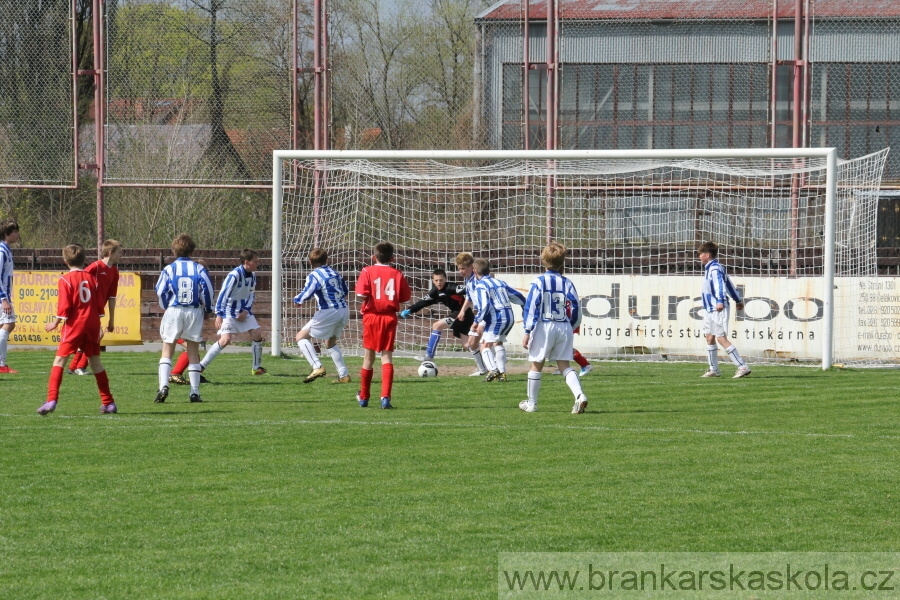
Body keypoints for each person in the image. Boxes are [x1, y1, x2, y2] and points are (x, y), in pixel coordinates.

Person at [37, 244, 116, 415]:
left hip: (75, 325)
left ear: (65, 261)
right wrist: (99, 324)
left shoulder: (65, 280)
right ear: (84, 260)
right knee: (95, 363)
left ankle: (51, 400)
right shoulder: (93, 279)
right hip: (92, 324)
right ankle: (109, 402)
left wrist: (56, 323)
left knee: (59, 361)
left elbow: (65, 307)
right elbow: (99, 304)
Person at [520, 242, 588, 414]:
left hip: (545, 325)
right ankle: (579, 395)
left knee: (536, 364)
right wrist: (571, 326)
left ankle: (532, 403)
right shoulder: (567, 282)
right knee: (564, 364)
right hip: (563, 325)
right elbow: (576, 308)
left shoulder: (538, 281)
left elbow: (531, 307)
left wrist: (527, 331)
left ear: (543, 260)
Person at [154, 234, 214, 403]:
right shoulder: (199, 268)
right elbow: (208, 290)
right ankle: (194, 392)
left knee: (167, 350)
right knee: (193, 352)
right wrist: (208, 308)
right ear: (192, 250)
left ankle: (164, 386)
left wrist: (167, 306)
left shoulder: (169, 269)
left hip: (174, 310)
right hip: (194, 311)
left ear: (174, 250)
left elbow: (160, 290)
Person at [354, 241, 410, 409]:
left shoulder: (367, 271)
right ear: (392, 258)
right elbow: (405, 297)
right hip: (389, 317)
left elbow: (360, 295)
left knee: (368, 357)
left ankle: (364, 397)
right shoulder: (397, 273)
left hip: (372, 317)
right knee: (387, 357)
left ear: (374, 257)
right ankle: (385, 398)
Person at [198, 249, 267, 376]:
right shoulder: (234, 275)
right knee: (225, 340)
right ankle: (201, 366)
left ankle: (256, 368)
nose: (258, 263)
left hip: (243, 311)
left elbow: (252, 294)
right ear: (246, 262)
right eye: (255, 261)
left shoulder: (252, 275)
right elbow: (223, 295)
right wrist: (218, 314)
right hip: (228, 311)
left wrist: (246, 311)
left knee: (257, 334)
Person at [293, 247, 351, 384]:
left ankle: (317, 366)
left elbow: (308, 291)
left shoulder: (314, 275)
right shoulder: (335, 273)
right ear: (327, 259)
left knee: (300, 337)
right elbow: (345, 290)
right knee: (330, 343)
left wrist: (298, 300)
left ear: (310, 262)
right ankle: (344, 375)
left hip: (329, 311)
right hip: (343, 309)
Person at [68, 239, 123, 375]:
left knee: (91, 337)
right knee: (95, 337)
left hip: (97, 309)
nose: (121, 255)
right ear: (110, 252)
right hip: (87, 308)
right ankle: (79, 367)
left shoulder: (115, 272)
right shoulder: (95, 267)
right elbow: (79, 278)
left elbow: (112, 297)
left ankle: (73, 367)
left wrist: (111, 320)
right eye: (119, 252)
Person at [698, 241, 750, 378]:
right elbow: (730, 285)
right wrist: (737, 299)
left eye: (701, 254)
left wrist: (720, 301)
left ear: (707, 255)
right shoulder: (712, 268)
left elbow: (720, 285)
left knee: (720, 338)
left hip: (717, 308)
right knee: (709, 337)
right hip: (709, 308)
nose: (699, 256)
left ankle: (742, 366)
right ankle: (714, 369)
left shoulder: (715, 269)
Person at [399, 267, 473, 363]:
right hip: (461, 316)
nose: (439, 282)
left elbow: (467, 289)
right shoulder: (435, 292)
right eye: (436, 280)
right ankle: (487, 350)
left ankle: (429, 356)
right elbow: (423, 302)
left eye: (441, 280)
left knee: (437, 326)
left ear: (445, 279)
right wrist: (409, 310)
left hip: (463, 314)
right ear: (433, 281)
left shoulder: (451, 287)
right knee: (467, 345)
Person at [471, 258, 525, 382]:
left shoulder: (481, 286)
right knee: (498, 343)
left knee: (484, 346)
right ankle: (502, 373)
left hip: (498, 318)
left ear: (474, 271)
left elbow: (484, 306)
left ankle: (493, 369)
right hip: (509, 318)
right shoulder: (500, 282)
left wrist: (476, 321)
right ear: (489, 270)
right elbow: (518, 296)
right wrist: (525, 308)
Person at [453, 252, 490, 377]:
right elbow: (469, 297)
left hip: (486, 314)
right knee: (473, 343)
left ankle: (493, 366)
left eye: (463, 268)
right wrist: (463, 310)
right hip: (480, 314)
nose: (461, 271)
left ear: (471, 267)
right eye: (459, 268)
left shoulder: (478, 280)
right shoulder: (468, 279)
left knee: (479, 342)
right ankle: (486, 367)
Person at [0, 220, 20, 374]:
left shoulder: (6, 249)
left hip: (5, 295)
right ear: (7, 234)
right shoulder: (2, 251)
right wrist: (4, 299)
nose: (17, 234)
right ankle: (1, 365)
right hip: (2, 296)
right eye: (15, 231)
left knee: (4, 326)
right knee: (9, 324)